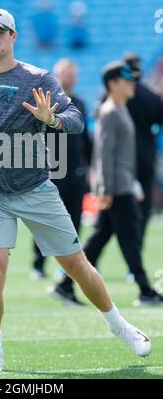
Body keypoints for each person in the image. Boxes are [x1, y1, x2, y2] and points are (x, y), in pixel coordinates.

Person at [0, 8, 151, 373]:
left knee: (76, 265)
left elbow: (77, 121)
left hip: (35, 187)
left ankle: (119, 325)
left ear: (13, 37)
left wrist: (52, 120)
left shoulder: (37, 78)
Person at [58, 61, 163, 306]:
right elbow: (103, 155)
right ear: (113, 84)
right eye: (126, 81)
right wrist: (104, 189)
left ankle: (65, 284)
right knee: (129, 237)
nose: (132, 85)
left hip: (123, 184)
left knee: (101, 238)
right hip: (116, 188)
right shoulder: (109, 112)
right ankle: (145, 290)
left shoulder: (120, 108)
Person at [32, 59, 92, 292]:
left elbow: (85, 139)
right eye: (66, 73)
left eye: (73, 73)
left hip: (76, 171)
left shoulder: (79, 104)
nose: (70, 77)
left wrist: (90, 165)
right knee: (45, 220)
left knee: (74, 219)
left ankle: (68, 266)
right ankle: (38, 263)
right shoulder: (48, 104)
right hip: (52, 170)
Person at [124, 53, 163, 251]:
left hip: (121, 160)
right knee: (144, 208)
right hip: (145, 158)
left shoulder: (115, 96)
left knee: (116, 211)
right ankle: (136, 250)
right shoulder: (152, 96)